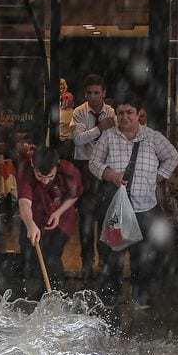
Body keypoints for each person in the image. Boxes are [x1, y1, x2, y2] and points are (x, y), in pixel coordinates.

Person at [88, 95, 178, 310]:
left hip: (146, 208)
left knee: (143, 257)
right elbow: (93, 163)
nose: (125, 116)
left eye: (129, 112)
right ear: (116, 115)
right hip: (117, 210)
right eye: (120, 113)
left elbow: (172, 157)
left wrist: (157, 177)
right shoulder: (109, 137)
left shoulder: (153, 137)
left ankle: (141, 297)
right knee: (114, 256)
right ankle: (111, 298)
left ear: (138, 114)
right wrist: (111, 175)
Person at [17, 146, 81, 299]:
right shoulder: (25, 172)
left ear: (56, 165)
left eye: (50, 176)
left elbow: (74, 194)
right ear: (33, 164)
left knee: (52, 254)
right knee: (31, 253)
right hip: (35, 215)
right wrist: (30, 224)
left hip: (62, 217)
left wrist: (58, 213)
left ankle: (57, 294)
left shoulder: (68, 170)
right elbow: (24, 203)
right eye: (40, 176)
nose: (45, 181)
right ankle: (42, 291)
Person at [71, 73, 116, 283]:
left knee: (106, 218)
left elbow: (115, 141)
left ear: (104, 93)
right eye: (89, 93)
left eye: (97, 92)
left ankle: (105, 261)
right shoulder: (79, 112)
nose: (93, 97)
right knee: (86, 221)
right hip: (86, 168)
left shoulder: (112, 113)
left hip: (106, 169)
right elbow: (78, 140)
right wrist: (99, 128)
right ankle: (86, 262)